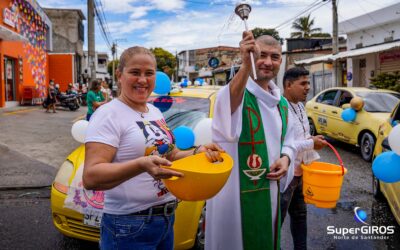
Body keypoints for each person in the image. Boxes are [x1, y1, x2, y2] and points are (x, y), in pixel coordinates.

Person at [82, 46, 224, 250]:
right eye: (135, 72)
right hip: (128, 226)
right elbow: (91, 177)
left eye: (149, 73)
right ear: (119, 75)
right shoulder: (108, 114)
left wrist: (196, 152)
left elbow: (170, 154)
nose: (142, 79)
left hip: (165, 220)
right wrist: (141, 164)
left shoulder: (155, 111)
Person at [207, 32, 296, 250]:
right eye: (260, 55)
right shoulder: (234, 94)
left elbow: (290, 141)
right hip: (234, 197)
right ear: (249, 56)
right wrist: (245, 66)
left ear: (280, 61)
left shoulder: (282, 104)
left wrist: (286, 158)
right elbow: (227, 108)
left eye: (274, 57)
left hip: (269, 192)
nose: (267, 62)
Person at [280, 67, 328, 250]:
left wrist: (312, 142)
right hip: (286, 176)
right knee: (278, 220)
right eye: (303, 83)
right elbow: (284, 145)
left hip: (302, 173)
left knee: (300, 217)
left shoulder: (300, 105)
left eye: (308, 83)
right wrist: (311, 143)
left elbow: (301, 138)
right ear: (288, 85)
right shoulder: (280, 109)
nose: (308, 87)